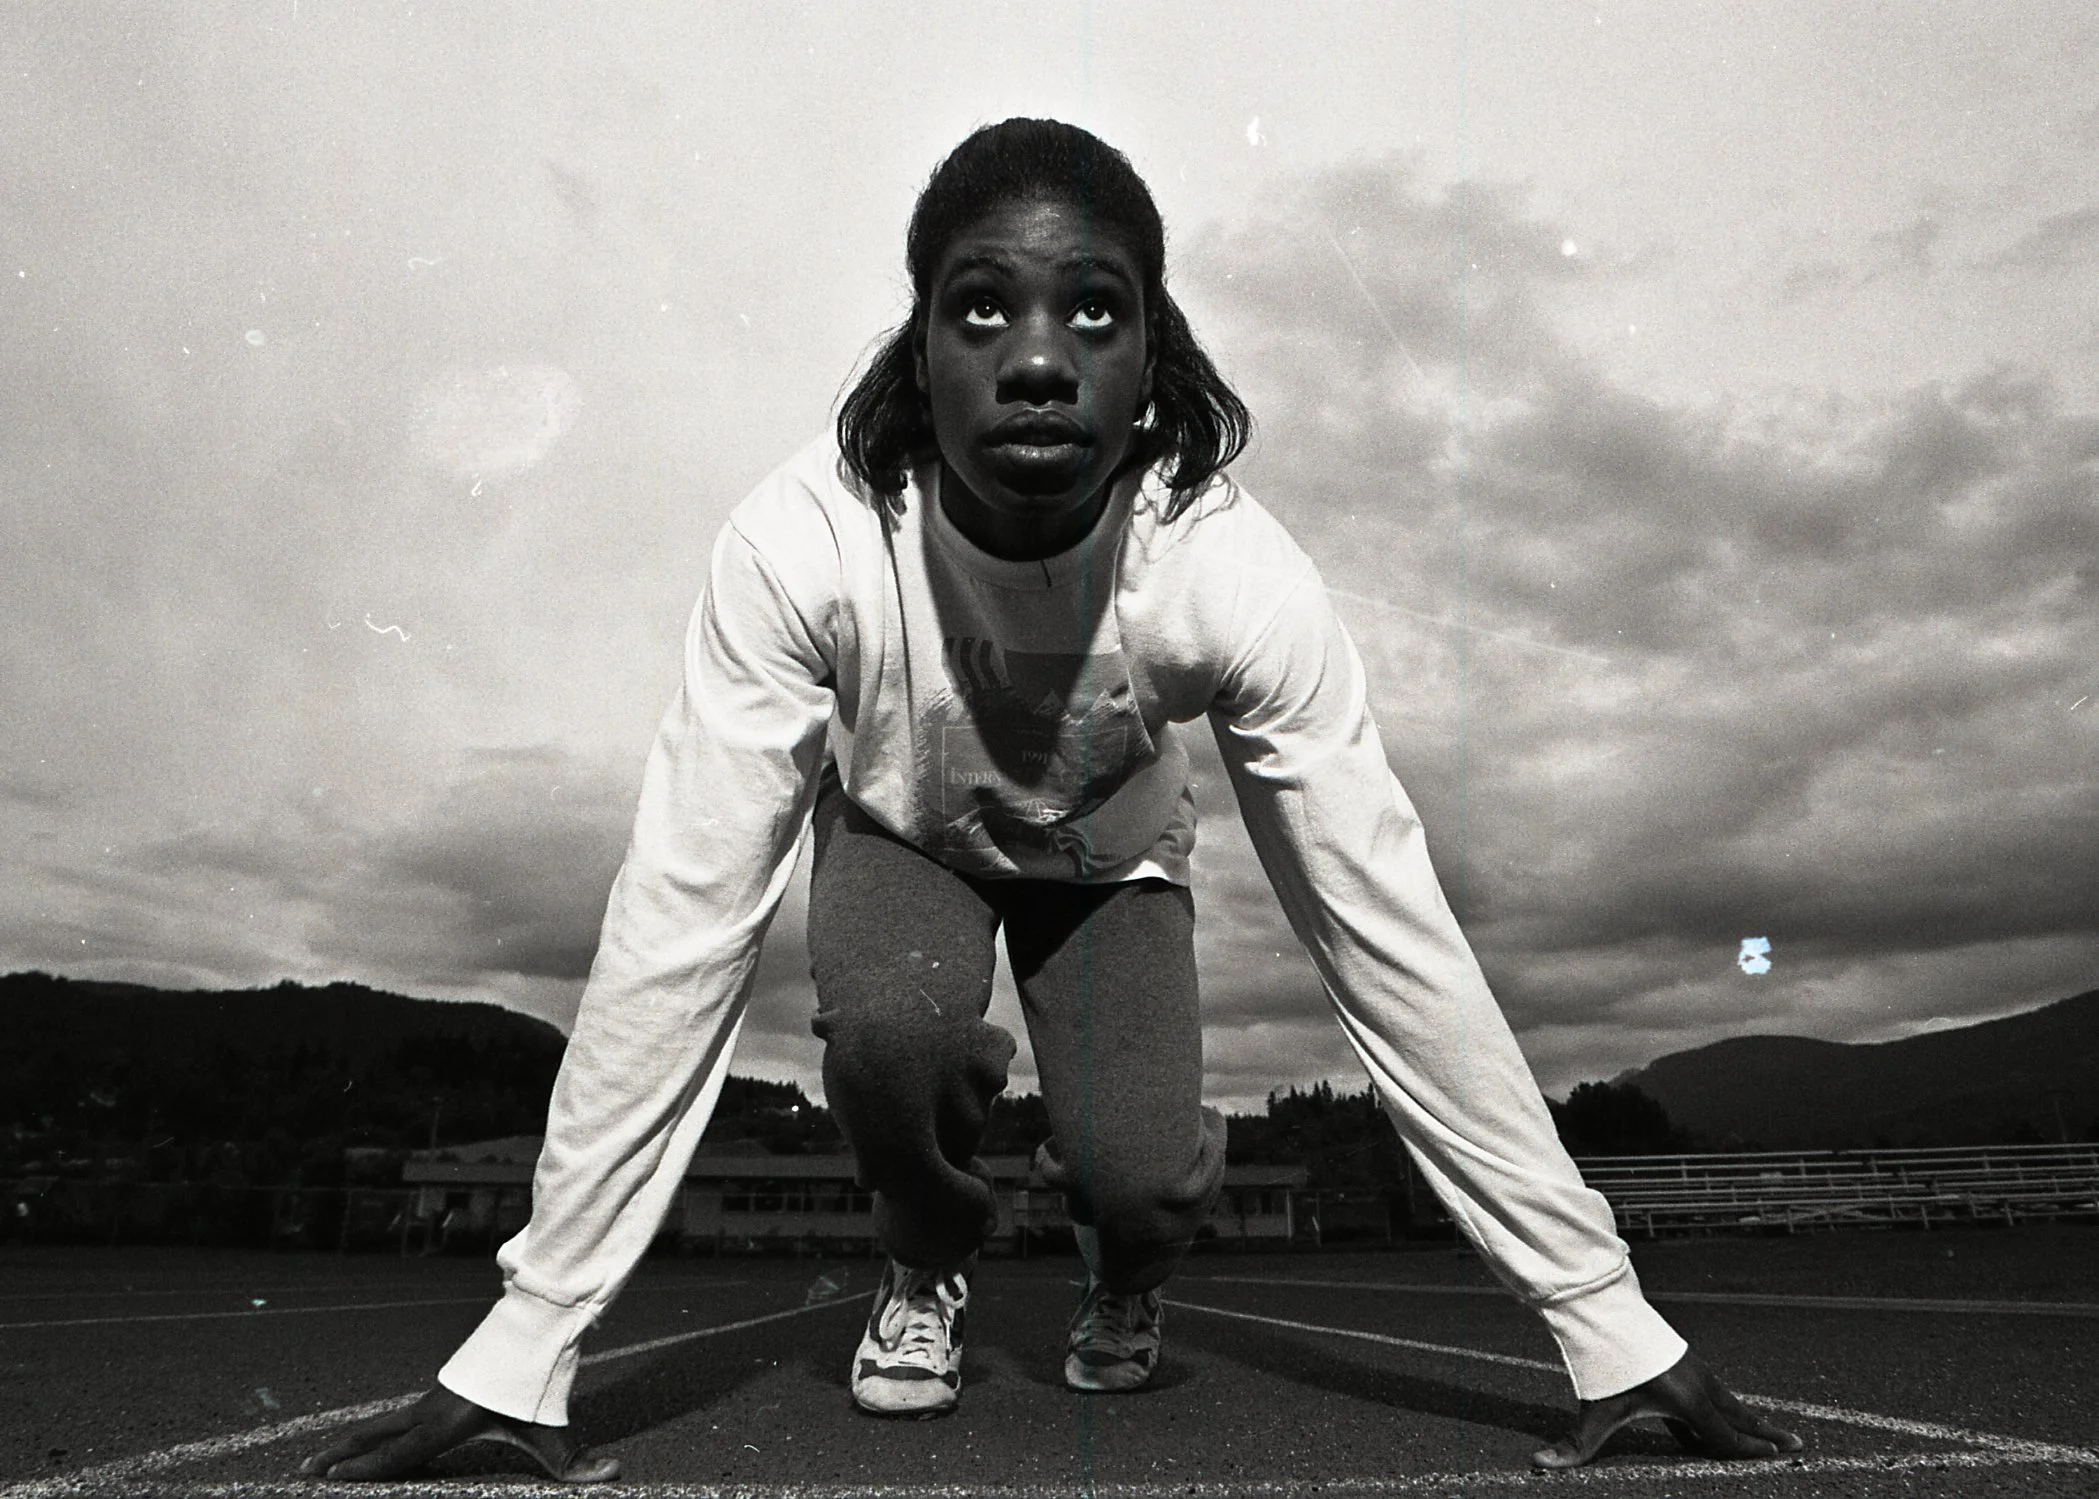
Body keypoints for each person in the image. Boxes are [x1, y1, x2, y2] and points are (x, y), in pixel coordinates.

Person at [304, 118, 1801, 1483]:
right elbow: (682, 915)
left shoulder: (1228, 573)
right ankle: (921, 1264)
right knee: (891, 1026)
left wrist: (1607, 1320)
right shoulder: (804, 544)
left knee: (1136, 1177)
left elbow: (1381, 926)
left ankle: (1125, 1269)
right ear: (922, 351)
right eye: (981, 310)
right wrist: (526, 1337)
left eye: (1091, 310)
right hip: (909, 839)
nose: (1035, 357)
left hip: (1108, 866)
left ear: (1150, 353)